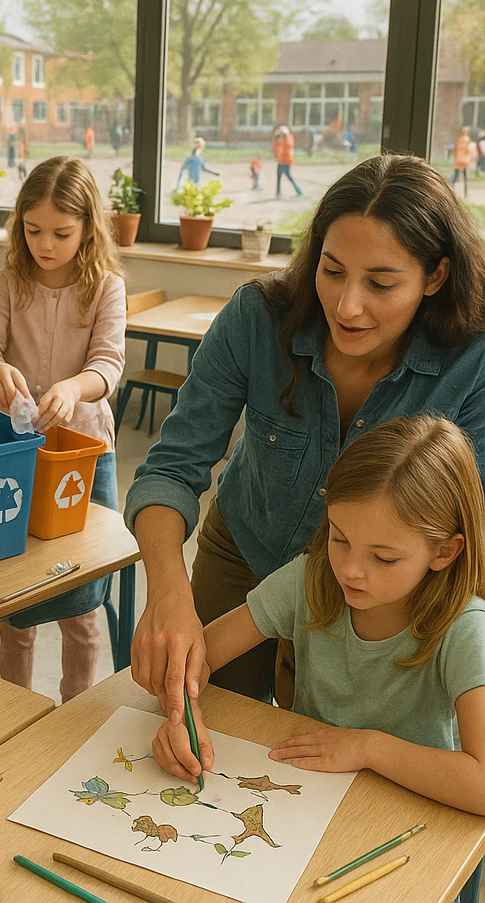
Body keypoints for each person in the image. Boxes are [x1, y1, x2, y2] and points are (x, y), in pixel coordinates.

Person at [126, 154, 485, 721]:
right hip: (244, 547)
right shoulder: (257, 317)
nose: (347, 306)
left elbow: (466, 523)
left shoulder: (473, 359)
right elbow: (171, 468)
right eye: (332, 269)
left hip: (383, 586)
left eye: (381, 283)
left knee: (323, 749)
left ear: (436, 276)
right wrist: (168, 593)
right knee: (206, 714)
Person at [152, 415, 485, 903]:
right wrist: (182, 714)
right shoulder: (311, 579)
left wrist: (368, 747)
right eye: (339, 537)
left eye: (384, 558)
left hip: (412, 830)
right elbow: (198, 657)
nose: (350, 569)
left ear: (445, 552)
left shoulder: (466, 629)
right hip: (306, 811)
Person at [0, 157, 126, 701]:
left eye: (61, 233)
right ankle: (16, 708)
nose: (45, 244)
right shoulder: (9, 280)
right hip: (16, 448)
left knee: (83, 595)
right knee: (17, 596)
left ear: (87, 229)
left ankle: (77, 708)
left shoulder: (105, 286)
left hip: (83, 450)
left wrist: (72, 388)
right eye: (33, 230)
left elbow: (108, 366)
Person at [271, 125, 303, 198]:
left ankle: (299, 191)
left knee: (288, 176)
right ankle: (278, 193)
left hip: (285, 161)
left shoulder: (288, 139)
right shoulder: (282, 140)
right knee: (279, 177)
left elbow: (284, 144)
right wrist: (275, 138)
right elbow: (275, 149)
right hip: (281, 161)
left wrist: (277, 136)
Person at [451, 126, 477, 197]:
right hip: (463, 160)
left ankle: (453, 190)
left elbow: (458, 149)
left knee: (457, 175)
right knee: (462, 176)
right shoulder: (466, 139)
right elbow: (466, 149)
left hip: (459, 160)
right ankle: (465, 192)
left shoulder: (460, 139)